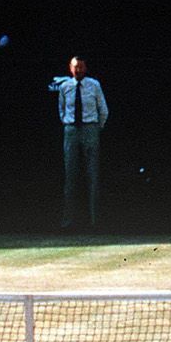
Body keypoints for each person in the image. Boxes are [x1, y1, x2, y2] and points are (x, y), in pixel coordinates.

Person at [54, 56, 109, 229]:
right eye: (75, 67)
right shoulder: (65, 87)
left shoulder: (94, 85)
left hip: (90, 128)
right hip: (71, 130)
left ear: (85, 68)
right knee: (70, 175)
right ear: (70, 68)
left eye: (81, 67)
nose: (78, 70)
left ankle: (95, 221)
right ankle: (68, 220)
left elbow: (103, 109)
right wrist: (68, 123)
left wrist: (95, 127)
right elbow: (62, 109)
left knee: (92, 174)